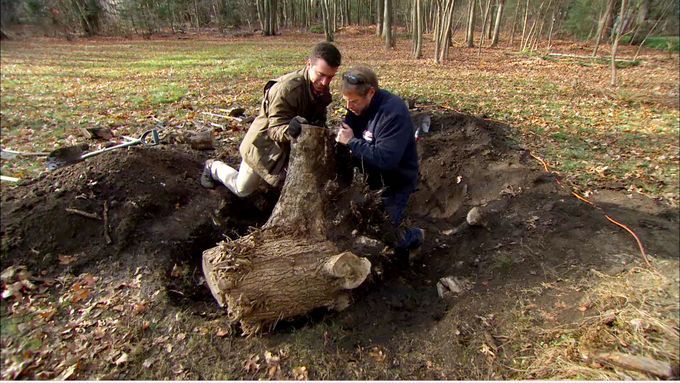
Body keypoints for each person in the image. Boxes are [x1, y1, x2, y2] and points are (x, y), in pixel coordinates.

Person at [200, 42, 342, 195]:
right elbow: (274, 129)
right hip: (263, 146)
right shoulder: (286, 89)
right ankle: (213, 167)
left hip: (289, 147)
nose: (325, 82)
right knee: (242, 189)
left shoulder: (320, 88)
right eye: (321, 75)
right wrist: (292, 129)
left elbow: (319, 119)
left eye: (330, 77)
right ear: (308, 64)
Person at [335, 66, 424, 256]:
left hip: (396, 181)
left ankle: (416, 237)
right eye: (346, 102)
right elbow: (347, 133)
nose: (349, 107)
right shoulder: (355, 108)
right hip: (371, 178)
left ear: (371, 93)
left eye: (354, 102)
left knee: (388, 237)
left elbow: (386, 159)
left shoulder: (393, 113)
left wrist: (351, 141)